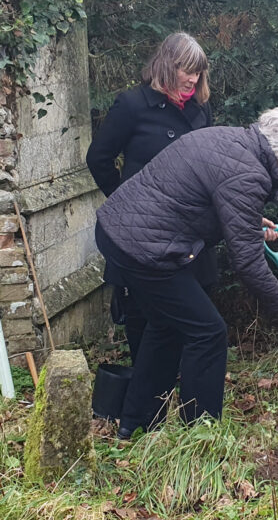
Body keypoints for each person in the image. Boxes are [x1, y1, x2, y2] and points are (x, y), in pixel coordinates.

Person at [94, 104, 278, 438]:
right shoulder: (249, 173)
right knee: (208, 332)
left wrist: (244, 220)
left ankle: (136, 423)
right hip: (144, 247)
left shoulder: (231, 140)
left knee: (166, 326)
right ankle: (199, 433)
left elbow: (202, 193)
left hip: (121, 231)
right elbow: (247, 262)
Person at [86, 32, 215, 364]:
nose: (192, 78)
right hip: (141, 239)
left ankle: (185, 397)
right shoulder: (132, 105)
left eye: (197, 72)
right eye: (186, 69)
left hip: (188, 237)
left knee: (194, 319)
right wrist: (124, 203)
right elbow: (99, 158)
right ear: (165, 66)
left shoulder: (202, 111)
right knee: (143, 319)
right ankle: (149, 400)